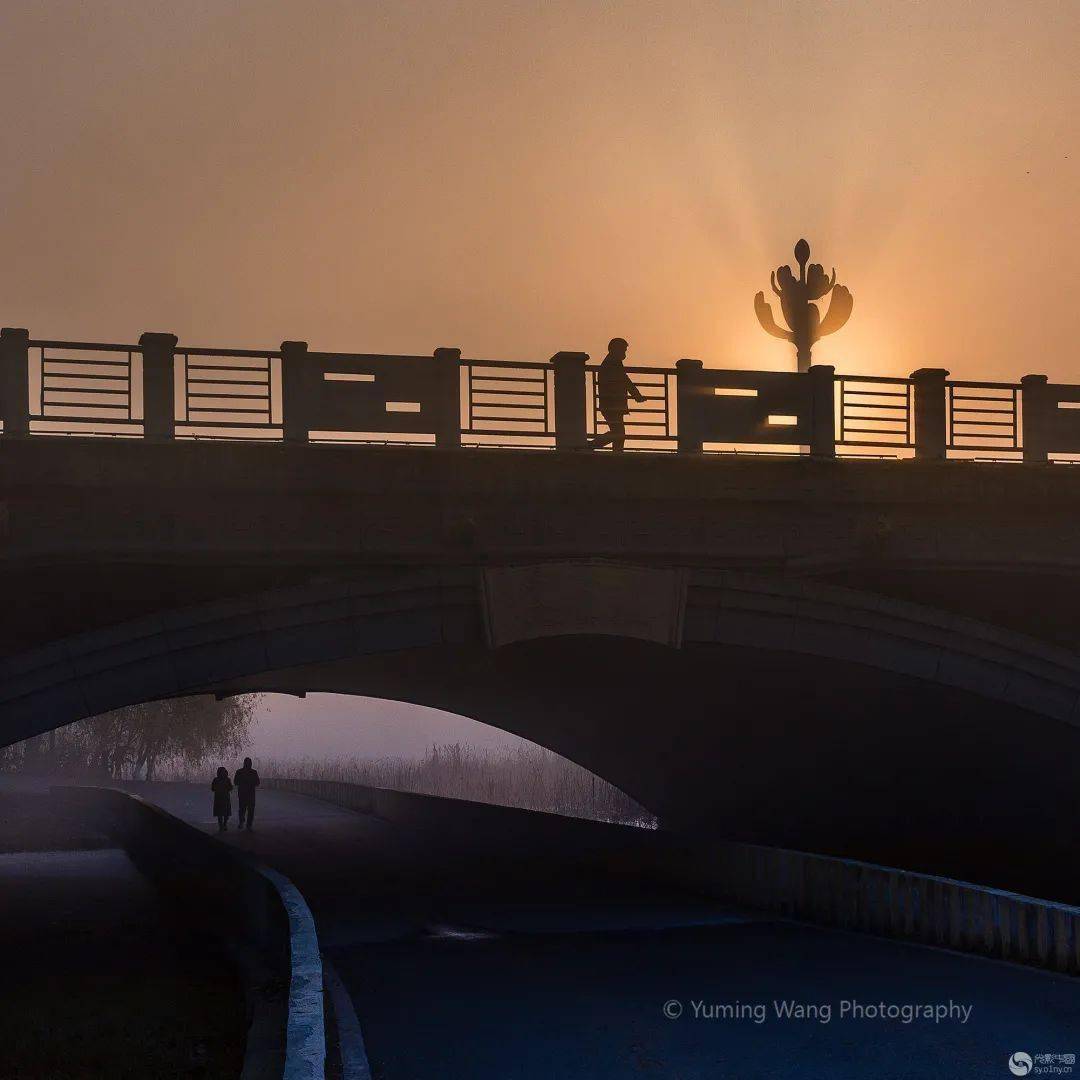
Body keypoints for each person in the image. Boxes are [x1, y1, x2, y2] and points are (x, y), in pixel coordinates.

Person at [589, 337, 645, 451]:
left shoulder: (612, 362)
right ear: (615, 350)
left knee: (618, 433)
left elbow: (624, 380)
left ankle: (615, 452)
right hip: (612, 405)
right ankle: (591, 446)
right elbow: (624, 380)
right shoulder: (612, 363)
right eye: (623, 350)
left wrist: (636, 394)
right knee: (619, 433)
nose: (624, 353)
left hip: (612, 405)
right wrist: (636, 395)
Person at [234, 757, 260, 832]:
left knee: (242, 809)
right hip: (250, 794)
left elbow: (235, 782)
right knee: (250, 810)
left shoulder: (239, 772)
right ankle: (248, 825)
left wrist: (243, 783)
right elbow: (257, 782)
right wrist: (251, 783)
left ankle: (242, 822)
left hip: (242, 794)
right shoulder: (254, 772)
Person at [211, 766, 233, 832]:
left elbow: (213, 789)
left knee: (221, 814)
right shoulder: (226, 779)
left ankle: (223, 825)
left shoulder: (217, 779)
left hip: (220, 798)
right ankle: (223, 825)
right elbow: (231, 788)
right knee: (223, 814)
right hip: (224, 798)